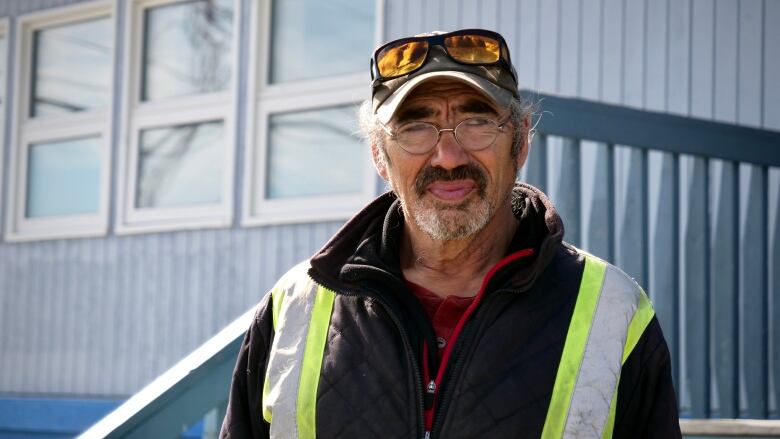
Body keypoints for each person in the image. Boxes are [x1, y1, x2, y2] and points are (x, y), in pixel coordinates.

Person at [220, 28, 680, 439]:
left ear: (520, 141)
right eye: (416, 127)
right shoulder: (292, 310)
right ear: (381, 156)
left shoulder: (614, 312)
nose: (446, 155)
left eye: (477, 121)